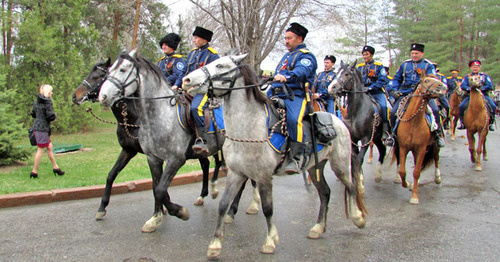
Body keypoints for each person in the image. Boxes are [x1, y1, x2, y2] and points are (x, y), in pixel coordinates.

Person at [267, 22, 317, 174]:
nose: (286, 41)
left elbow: (301, 71)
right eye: (285, 38)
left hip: (295, 96)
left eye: (289, 38)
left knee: (294, 120)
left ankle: (296, 158)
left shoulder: (306, 56)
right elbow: (278, 72)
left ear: (299, 39)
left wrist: (286, 76)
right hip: (276, 93)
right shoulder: (285, 57)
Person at [387, 43, 445, 147]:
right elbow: (396, 79)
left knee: (435, 110)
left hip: (423, 94)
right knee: (393, 112)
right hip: (406, 93)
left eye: (416, 53)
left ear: (422, 53)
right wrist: (395, 90)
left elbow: (433, 79)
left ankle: (438, 135)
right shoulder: (405, 65)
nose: (414, 55)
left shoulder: (428, 65)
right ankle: (392, 135)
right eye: (412, 53)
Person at [185, 26, 220, 154]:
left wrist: (198, 86)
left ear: (204, 39)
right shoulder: (193, 53)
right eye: (193, 37)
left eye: (196, 37)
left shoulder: (213, 55)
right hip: (189, 89)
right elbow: (186, 71)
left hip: (204, 91)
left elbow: (215, 76)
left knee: (196, 108)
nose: (193, 40)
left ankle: (203, 140)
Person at [30, 84, 65, 178]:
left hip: (36, 127)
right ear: (48, 92)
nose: (52, 93)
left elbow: (33, 113)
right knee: (40, 150)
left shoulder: (36, 101)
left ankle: (56, 167)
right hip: (43, 129)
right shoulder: (48, 102)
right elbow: (50, 116)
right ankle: (34, 171)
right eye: (51, 91)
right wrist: (54, 115)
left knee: (49, 147)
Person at [356, 45, 390, 139]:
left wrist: (371, 88)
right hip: (363, 92)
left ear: (371, 55)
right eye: (363, 55)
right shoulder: (359, 67)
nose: (365, 56)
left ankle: (385, 129)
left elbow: (383, 80)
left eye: (367, 54)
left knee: (383, 107)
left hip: (376, 92)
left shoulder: (379, 66)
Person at [458, 59, 496, 131]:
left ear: (480, 68)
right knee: (461, 106)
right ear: (471, 68)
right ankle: (462, 122)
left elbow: (489, 85)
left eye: (477, 67)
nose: (475, 68)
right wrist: (469, 89)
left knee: (493, 106)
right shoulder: (467, 77)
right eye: (474, 67)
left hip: (483, 95)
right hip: (470, 95)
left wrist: (482, 88)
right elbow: (463, 85)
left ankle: (491, 123)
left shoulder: (485, 76)